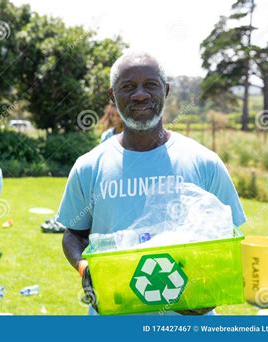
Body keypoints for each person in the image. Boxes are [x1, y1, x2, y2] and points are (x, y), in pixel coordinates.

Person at [57, 52, 246, 316]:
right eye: (128, 87)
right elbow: (74, 234)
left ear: (165, 90)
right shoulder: (89, 166)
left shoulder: (204, 162)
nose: (140, 95)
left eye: (150, 85)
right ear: (112, 96)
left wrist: (209, 285)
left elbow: (228, 239)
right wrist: (83, 267)